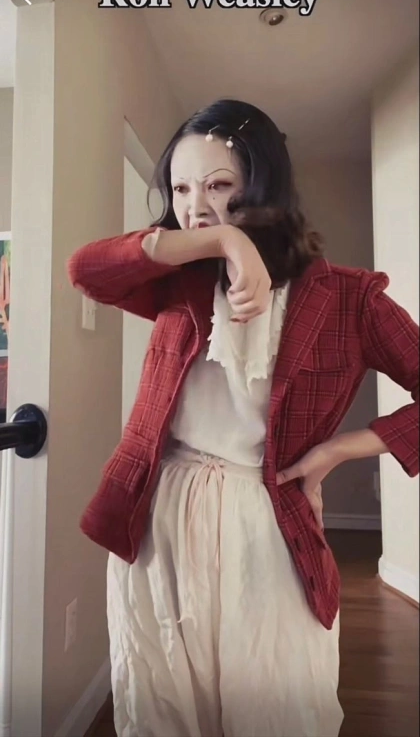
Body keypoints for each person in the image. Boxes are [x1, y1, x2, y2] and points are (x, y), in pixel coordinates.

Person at [68, 99, 419, 737]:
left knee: (276, 706)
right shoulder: (176, 278)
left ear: (263, 184)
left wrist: (337, 452)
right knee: (163, 707)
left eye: (218, 185)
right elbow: (86, 268)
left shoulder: (349, 298)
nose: (194, 205)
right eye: (180, 188)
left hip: (269, 521)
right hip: (159, 517)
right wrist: (224, 239)